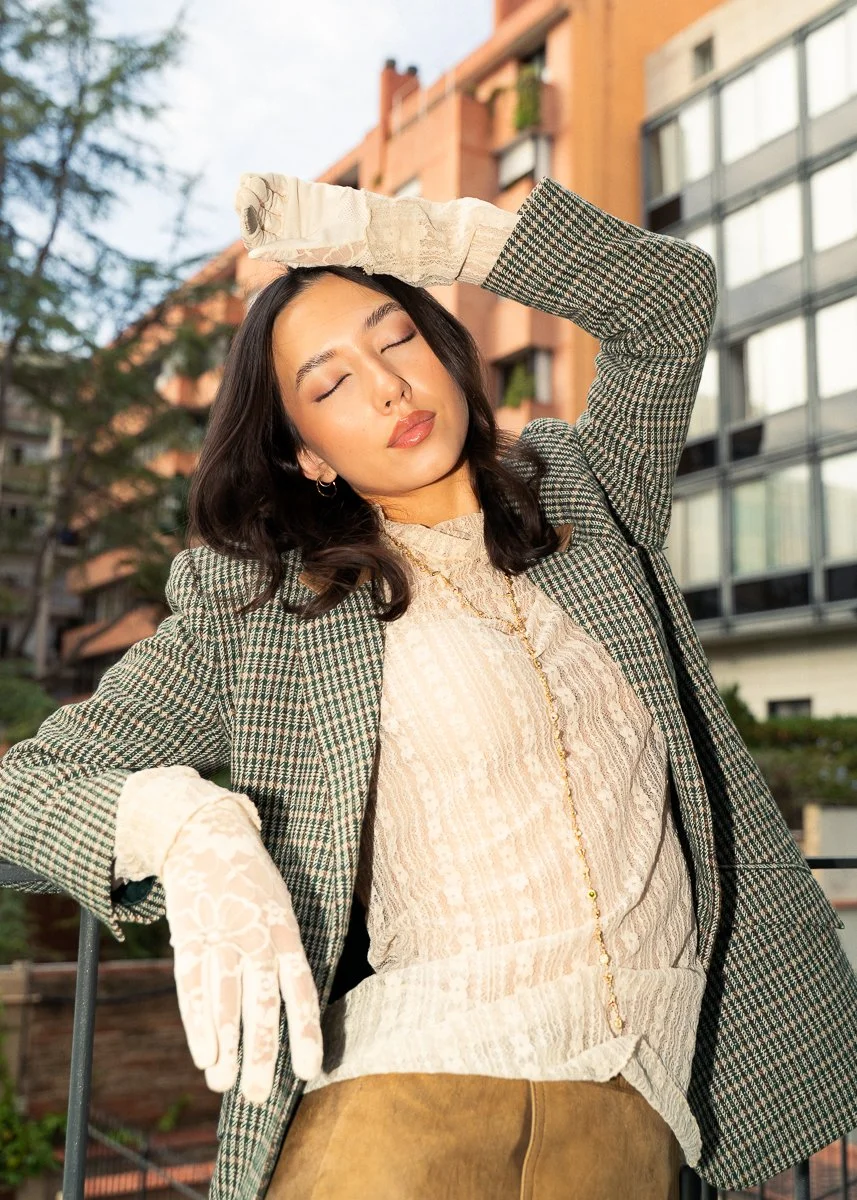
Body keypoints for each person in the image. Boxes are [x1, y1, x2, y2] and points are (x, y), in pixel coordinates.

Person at [1, 174, 856, 1200]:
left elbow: (665, 300)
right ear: (308, 454)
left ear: (441, 346)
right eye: (329, 383)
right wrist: (180, 828)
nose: (387, 387)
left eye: (393, 338)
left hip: (633, 1116)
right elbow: (21, 794)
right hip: (407, 1101)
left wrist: (393, 230)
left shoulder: (587, 491)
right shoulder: (264, 608)